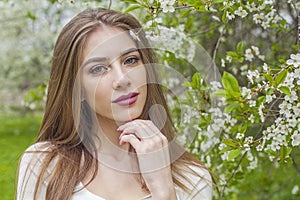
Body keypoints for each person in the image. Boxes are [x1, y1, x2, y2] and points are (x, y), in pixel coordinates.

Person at [16, 8, 213, 200]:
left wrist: (164, 190)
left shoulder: (192, 178)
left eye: (130, 60)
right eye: (99, 69)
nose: (122, 79)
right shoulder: (45, 165)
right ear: (78, 89)